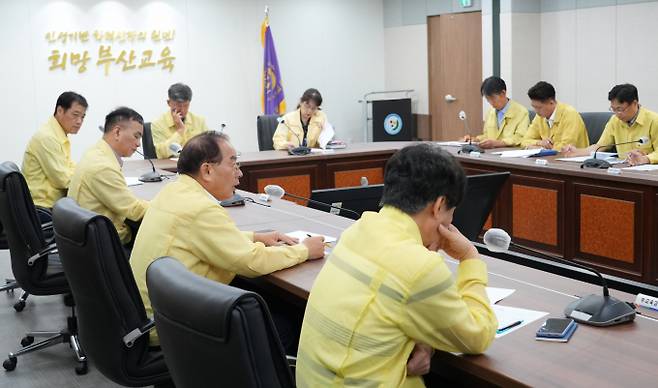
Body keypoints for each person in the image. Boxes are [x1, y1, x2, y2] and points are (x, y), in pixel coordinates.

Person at [296, 144, 497, 386]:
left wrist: (424, 342)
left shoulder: (358, 229)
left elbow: (383, 310)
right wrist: (469, 258)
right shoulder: (420, 267)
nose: (450, 221)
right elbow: (477, 336)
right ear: (438, 205)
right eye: (450, 213)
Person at [130, 131, 325, 347]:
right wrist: (305, 250)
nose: (239, 174)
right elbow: (252, 262)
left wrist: (256, 237)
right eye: (234, 165)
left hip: (154, 314)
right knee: (291, 321)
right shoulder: (200, 208)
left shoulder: (175, 191)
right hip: (170, 326)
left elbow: (200, 237)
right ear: (207, 170)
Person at [68, 107, 148, 246]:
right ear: (117, 132)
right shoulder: (103, 166)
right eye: (136, 136)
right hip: (105, 246)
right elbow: (135, 211)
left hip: (89, 239)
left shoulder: (95, 152)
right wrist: (165, 204)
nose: (138, 144)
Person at [563, 84, 658, 166]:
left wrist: (646, 159)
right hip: (623, 170)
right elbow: (599, 147)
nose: (617, 114)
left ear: (634, 103)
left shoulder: (653, 120)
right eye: (613, 109)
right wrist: (577, 152)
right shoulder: (614, 121)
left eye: (620, 109)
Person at [22, 91, 88, 209]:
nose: (79, 121)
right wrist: (91, 181)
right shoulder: (47, 137)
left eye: (82, 117)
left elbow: (70, 167)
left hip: (52, 205)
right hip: (42, 208)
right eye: (75, 115)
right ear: (60, 111)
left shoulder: (58, 134)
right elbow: (63, 180)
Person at [461, 76, 529, 149]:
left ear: (503, 93)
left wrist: (499, 143)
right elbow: (487, 135)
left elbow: (520, 138)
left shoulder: (522, 112)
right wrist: (476, 139)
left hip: (510, 153)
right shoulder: (490, 112)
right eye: (488, 99)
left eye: (493, 98)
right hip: (492, 152)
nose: (491, 103)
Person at [521, 81, 589, 150]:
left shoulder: (570, 115)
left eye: (539, 107)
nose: (536, 111)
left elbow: (566, 147)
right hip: (550, 158)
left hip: (571, 159)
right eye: (534, 107)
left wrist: (538, 148)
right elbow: (524, 141)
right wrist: (539, 143)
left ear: (551, 102)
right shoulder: (540, 116)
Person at [151, 82, 210, 158]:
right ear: (169, 103)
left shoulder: (199, 121)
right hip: (170, 168)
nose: (182, 109)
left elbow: (208, 147)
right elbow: (162, 154)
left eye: (186, 105)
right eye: (178, 105)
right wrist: (180, 131)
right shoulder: (158, 124)